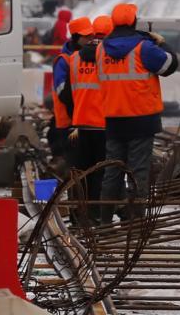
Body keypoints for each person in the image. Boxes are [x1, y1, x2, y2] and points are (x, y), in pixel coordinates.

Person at [96, 2, 179, 223]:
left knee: (112, 170)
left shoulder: (100, 49)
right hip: (142, 120)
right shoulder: (144, 48)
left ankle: (104, 220)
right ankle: (135, 221)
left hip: (114, 119)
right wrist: (163, 44)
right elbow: (169, 66)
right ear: (134, 21)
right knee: (138, 170)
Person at [67, 15, 114, 220]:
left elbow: (71, 92)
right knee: (100, 173)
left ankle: (79, 215)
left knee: (81, 172)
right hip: (103, 124)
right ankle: (95, 214)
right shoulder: (110, 57)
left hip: (80, 123)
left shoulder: (74, 58)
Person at [50, 16, 93, 163]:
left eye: (91, 35)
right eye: (86, 36)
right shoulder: (64, 61)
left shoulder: (87, 57)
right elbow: (64, 94)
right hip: (67, 123)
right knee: (71, 167)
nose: (90, 39)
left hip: (84, 121)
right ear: (75, 37)